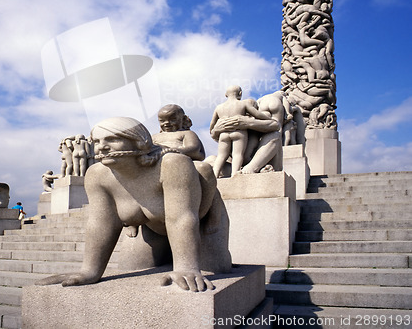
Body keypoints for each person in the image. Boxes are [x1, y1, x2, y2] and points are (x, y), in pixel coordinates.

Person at [36, 117, 231, 292]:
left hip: (203, 224)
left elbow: (181, 218)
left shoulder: (172, 164)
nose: (101, 147)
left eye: (111, 140)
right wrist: (89, 271)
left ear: (139, 142)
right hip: (151, 229)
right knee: (131, 265)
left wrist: (185, 267)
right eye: (97, 141)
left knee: (213, 269)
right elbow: (101, 224)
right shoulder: (97, 174)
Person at [209, 85, 273, 177]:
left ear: (225, 95)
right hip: (238, 132)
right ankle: (234, 174)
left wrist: (215, 130)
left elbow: (212, 125)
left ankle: (214, 175)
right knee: (237, 154)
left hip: (223, 134)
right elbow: (257, 114)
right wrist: (268, 119)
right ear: (240, 93)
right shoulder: (243, 103)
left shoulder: (219, 107)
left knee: (221, 156)